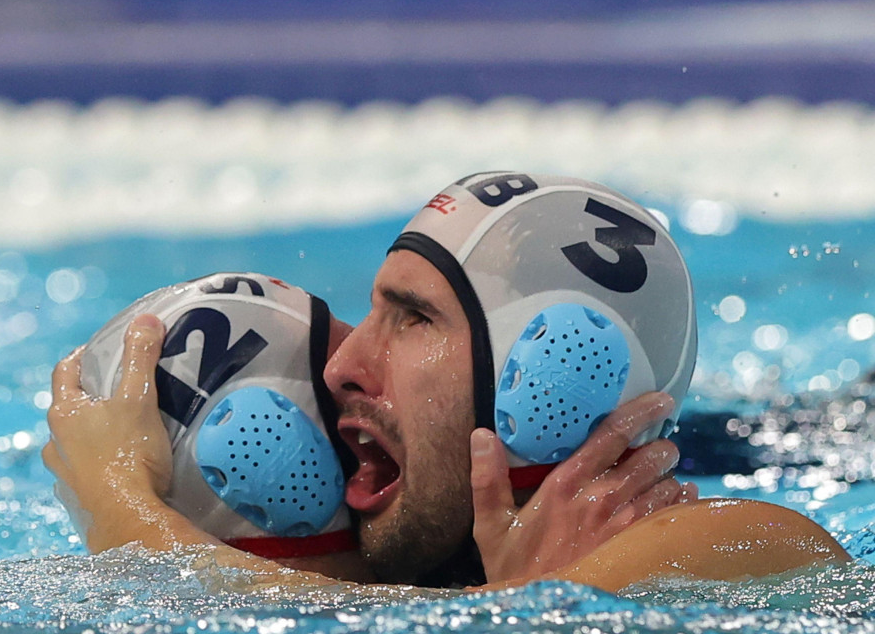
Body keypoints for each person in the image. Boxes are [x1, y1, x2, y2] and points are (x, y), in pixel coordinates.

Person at [42, 172, 851, 593]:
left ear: (553, 376)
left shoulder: (737, 546)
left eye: (413, 319)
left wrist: (128, 511)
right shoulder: (433, 582)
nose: (342, 368)